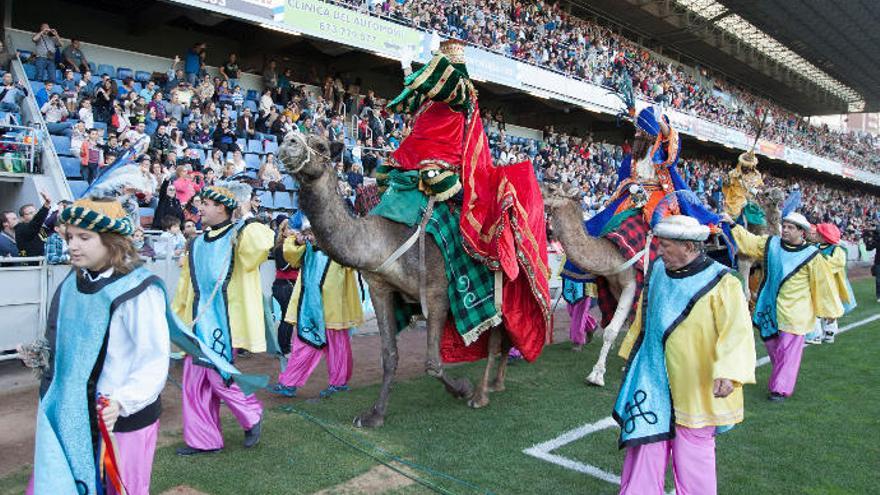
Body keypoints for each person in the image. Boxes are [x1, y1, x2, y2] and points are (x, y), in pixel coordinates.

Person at [27, 198, 170, 495]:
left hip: (119, 419)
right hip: (74, 414)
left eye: (84, 237)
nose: (72, 246)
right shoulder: (72, 283)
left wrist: (123, 401)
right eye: (70, 237)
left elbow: (153, 359)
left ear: (111, 242)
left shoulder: (138, 290)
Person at [614, 215, 756, 495]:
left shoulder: (724, 282)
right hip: (654, 379)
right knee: (646, 442)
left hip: (698, 385)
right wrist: (634, 354)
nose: (660, 251)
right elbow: (647, 317)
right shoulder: (657, 270)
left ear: (690, 246)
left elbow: (737, 331)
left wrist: (729, 372)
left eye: (665, 246)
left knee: (693, 453)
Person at [172, 181, 274, 455]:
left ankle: (251, 413)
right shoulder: (196, 243)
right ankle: (204, 440)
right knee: (195, 383)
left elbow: (262, 245)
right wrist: (179, 320)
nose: (199, 208)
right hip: (198, 324)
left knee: (218, 377)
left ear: (221, 208)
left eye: (205, 204)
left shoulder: (238, 235)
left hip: (226, 324)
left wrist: (245, 215)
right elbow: (187, 286)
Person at [722, 211, 843, 401]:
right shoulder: (772, 244)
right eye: (784, 226)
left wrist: (829, 311)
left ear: (801, 232)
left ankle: (780, 389)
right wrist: (733, 225)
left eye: (790, 227)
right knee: (774, 348)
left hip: (796, 313)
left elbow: (822, 284)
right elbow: (751, 242)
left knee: (788, 351)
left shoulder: (812, 255)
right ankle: (781, 379)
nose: (785, 230)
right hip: (770, 308)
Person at [270, 217, 363, 398]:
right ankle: (289, 383)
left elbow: (355, 260)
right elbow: (290, 256)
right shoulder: (307, 248)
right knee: (303, 343)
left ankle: (339, 383)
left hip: (334, 307)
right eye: (307, 233)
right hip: (310, 308)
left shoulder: (340, 246)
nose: (309, 237)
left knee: (337, 345)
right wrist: (297, 241)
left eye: (311, 233)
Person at [804, 223, 856, 344]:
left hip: (830, 285)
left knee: (830, 309)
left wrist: (821, 260)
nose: (815, 234)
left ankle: (829, 331)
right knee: (815, 307)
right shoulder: (814, 247)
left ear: (824, 236)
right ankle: (816, 333)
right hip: (816, 283)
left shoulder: (837, 249)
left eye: (818, 233)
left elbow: (837, 263)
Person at [15, 192, 52, 257]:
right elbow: (34, 224)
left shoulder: (41, 228)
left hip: (44, 263)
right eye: (31, 213)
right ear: (22, 218)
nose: (34, 214)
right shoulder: (20, 228)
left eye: (35, 212)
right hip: (32, 265)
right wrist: (46, 206)